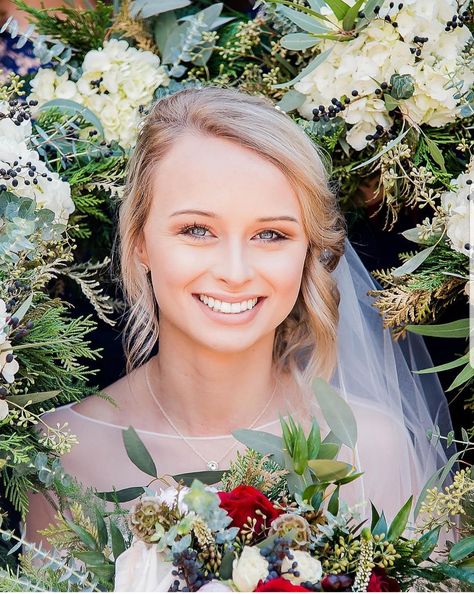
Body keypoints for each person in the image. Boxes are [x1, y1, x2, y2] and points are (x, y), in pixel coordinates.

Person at [26, 85, 452, 541]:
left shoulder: (372, 446)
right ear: (140, 242)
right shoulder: (65, 452)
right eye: (196, 230)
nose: (235, 272)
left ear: (309, 250)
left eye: (270, 235)